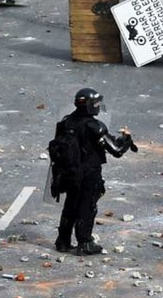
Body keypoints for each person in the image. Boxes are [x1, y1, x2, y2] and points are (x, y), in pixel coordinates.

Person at [49, 88, 137, 255]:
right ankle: (85, 243)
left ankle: (63, 241)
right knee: (87, 207)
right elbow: (116, 150)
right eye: (95, 103)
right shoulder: (94, 127)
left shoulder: (66, 122)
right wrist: (126, 139)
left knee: (70, 206)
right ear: (88, 106)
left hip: (70, 172)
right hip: (89, 173)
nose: (97, 106)